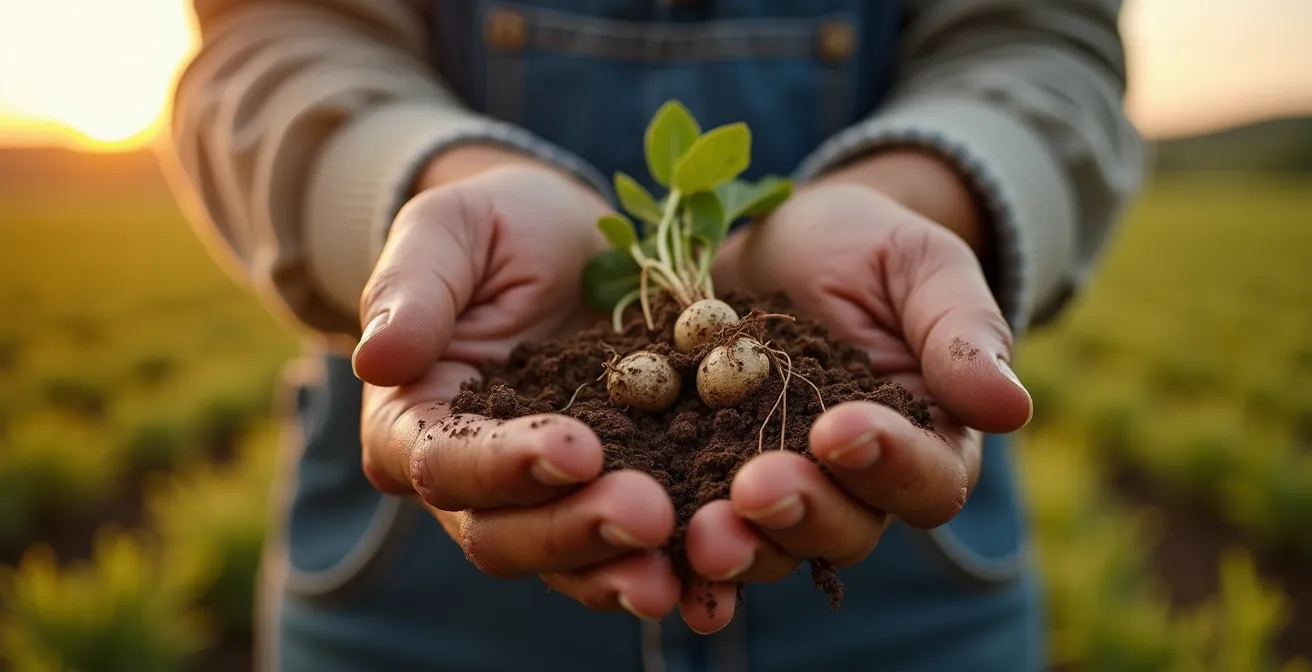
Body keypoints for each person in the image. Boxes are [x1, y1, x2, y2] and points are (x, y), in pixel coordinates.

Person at [163, 1, 1143, 669]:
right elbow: (271, 40)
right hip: (413, 602)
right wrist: (424, 186)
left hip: (907, 597)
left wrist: (928, 199)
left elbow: (1041, 43)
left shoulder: (742, 351)